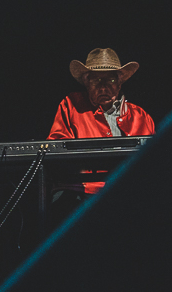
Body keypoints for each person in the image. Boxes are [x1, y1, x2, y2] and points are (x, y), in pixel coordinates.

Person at [47, 48, 157, 198]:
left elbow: (155, 160)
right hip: (82, 194)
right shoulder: (71, 106)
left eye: (110, 80)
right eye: (96, 80)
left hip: (130, 192)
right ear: (86, 83)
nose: (103, 87)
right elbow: (56, 151)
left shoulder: (140, 116)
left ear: (120, 83)